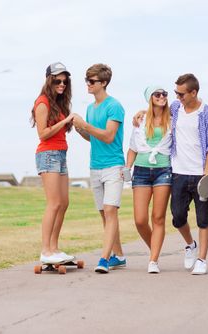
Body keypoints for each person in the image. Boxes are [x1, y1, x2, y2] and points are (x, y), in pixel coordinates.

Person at [134, 74, 208, 275]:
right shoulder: (175, 109)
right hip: (178, 172)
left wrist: (207, 172)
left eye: (181, 94)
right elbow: (155, 112)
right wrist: (139, 113)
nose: (176, 97)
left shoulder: (207, 114)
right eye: (176, 93)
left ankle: (202, 260)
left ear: (193, 93)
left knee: (203, 219)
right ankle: (190, 243)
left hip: (200, 173)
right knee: (178, 218)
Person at [72, 63, 127, 274]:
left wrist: (85, 126)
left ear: (103, 83)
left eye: (92, 81)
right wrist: (79, 130)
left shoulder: (114, 106)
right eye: (87, 80)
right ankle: (118, 256)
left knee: (111, 210)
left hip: (113, 166)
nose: (88, 84)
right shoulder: (90, 108)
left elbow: (108, 136)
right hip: (95, 166)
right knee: (105, 214)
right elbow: (93, 137)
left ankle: (104, 259)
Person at [31, 62, 75, 264]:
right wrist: (64, 122)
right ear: (49, 81)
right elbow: (43, 133)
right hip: (48, 154)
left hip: (61, 153)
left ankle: (54, 248)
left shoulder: (59, 103)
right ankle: (45, 250)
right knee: (54, 203)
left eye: (65, 81)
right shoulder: (43, 102)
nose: (62, 84)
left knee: (64, 203)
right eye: (57, 81)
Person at [126, 86, 172, 274]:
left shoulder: (173, 118)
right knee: (140, 219)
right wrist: (127, 168)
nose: (162, 97)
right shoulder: (141, 120)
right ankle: (155, 246)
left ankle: (153, 260)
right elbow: (133, 147)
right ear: (150, 98)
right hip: (142, 171)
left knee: (158, 217)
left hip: (164, 170)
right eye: (157, 94)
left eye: (164, 94)